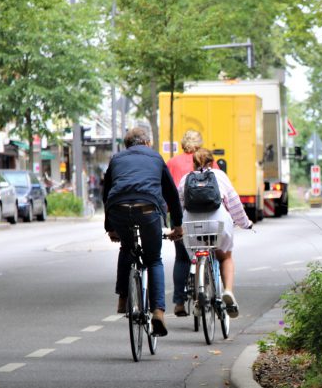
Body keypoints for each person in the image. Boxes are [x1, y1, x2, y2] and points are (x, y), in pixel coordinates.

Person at [102, 127, 183, 337]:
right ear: (147, 143)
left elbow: (106, 193)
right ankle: (158, 311)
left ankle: (122, 298)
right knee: (154, 259)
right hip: (148, 209)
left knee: (127, 247)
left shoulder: (116, 159)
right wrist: (178, 224)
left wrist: (110, 226)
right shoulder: (155, 157)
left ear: (127, 145)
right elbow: (171, 193)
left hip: (118, 208)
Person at [177, 148, 252, 318]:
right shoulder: (220, 176)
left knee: (197, 257)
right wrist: (245, 223)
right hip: (218, 224)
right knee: (225, 256)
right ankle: (228, 291)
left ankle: (198, 298)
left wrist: (177, 228)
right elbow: (234, 204)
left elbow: (179, 206)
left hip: (192, 226)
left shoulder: (185, 179)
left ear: (194, 163)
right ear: (212, 163)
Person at [167, 130, 218, 317]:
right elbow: (219, 186)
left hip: (180, 215)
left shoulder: (172, 163)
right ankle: (209, 287)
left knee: (181, 258)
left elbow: (166, 188)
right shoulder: (206, 160)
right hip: (207, 215)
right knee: (211, 249)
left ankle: (179, 302)